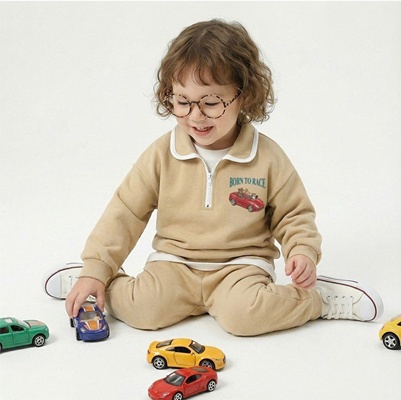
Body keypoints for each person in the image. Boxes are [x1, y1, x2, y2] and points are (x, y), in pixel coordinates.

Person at [43, 19, 383, 336]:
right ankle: (93, 281)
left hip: (241, 267)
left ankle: (318, 300)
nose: (195, 116)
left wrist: (302, 250)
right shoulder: (161, 154)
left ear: (244, 95)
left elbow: (293, 214)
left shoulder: (267, 156)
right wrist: (97, 267)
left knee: (243, 318)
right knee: (144, 311)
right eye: (182, 101)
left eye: (211, 102)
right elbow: (125, 213)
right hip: (174, 264)